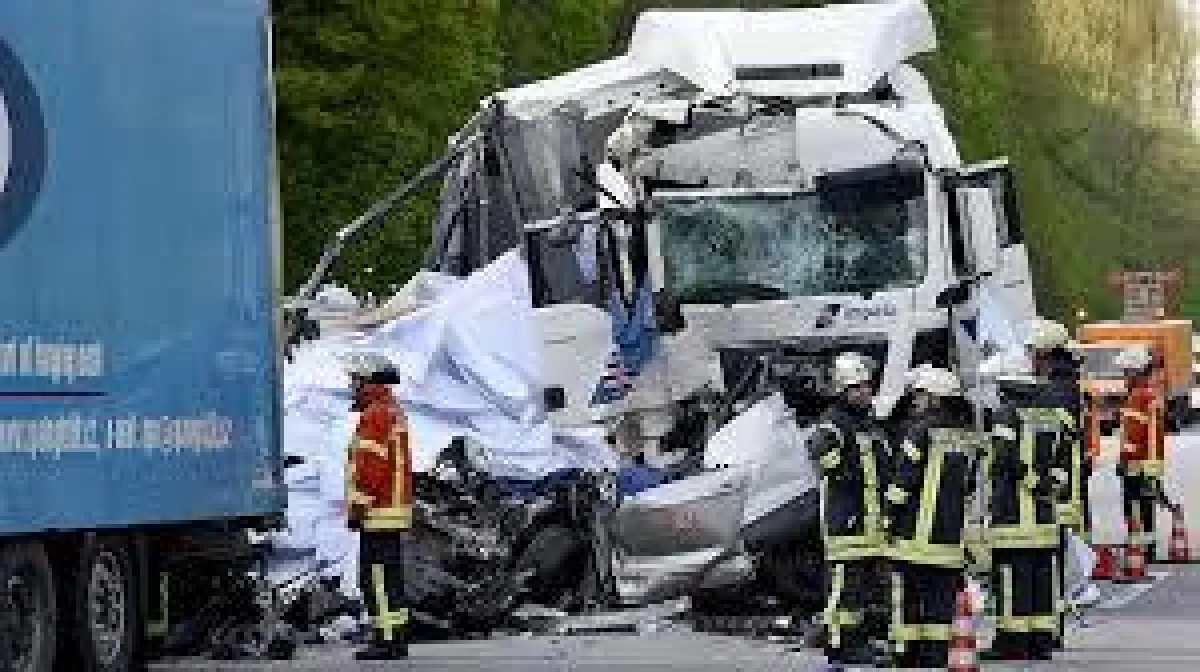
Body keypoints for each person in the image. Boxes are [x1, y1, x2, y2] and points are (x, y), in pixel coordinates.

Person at [885, 366, 978, 668]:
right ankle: (936, 654)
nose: (916, 400)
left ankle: (906, 654)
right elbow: (971, 484)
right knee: (941, 602)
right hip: (949, 540)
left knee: (909, 600)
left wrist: (887, 518)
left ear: (935, 398)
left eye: (921, 395)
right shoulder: (967, 435)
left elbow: (903, 482)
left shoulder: (919, 431)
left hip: (914, 538)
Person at [977, 349, 1065, 662]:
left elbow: (1003, 456)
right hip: (1043, 518)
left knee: (1013, 580)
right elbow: (1063, 461)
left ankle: (1012, 642)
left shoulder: (1007, 414)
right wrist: (1049, 486)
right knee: (1041, 579)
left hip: (1012, 517)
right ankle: (1040, 641)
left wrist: (1028, 481)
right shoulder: (1051, 415)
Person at [807, 352, 892, 666]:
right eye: (857, 388)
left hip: (869, 526)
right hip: (846, 523)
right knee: (842, 591)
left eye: (867, 387)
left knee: (858, 593)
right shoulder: (834, 421)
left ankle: (856, 642)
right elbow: (818, 452)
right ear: (842, 390)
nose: (864, 392)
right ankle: (838, 645)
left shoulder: (870, 425)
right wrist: (844, 474)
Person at [343, 352, 414, 660]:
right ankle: (395, 637)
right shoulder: (392, 410)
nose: (352, 386)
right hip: (391, 512)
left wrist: (358, 508)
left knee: (377, 579)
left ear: (369, 382)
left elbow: (370, 468)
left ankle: (386, 641)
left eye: (356, 381)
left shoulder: (375, 415)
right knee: (389, 577)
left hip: (377, 513)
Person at [1026, 317, 1087, 649]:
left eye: (1034, 354)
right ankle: (1052, 628)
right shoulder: (1066, 386)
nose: (1031, 361)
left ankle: (1051, 630)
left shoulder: (1056, 392)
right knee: (1055, 561)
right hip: (1067, 487)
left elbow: (1051, 443)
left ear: (1045, 355)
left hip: (1059, 491)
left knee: (1052, 562)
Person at [1116, 345, 1166, 560]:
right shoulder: (1149, 393)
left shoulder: (1138, 396)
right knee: (1146, 508)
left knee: (1134, 506)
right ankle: (1147, 549)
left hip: (1136, 463)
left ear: (1136, 371)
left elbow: (1134, 436)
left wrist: (1124, 460)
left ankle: (1138, 550)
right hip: (1149, 462)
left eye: (1126, 371)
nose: (1124, 376)